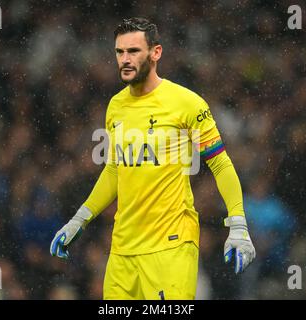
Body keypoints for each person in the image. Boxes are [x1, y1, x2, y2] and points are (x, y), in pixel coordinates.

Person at [50, 17, 255, 300]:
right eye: (119, 52)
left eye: (133, 51)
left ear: (155, 53)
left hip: (171, 246)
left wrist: (238, 224)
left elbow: (220, 163)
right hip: (123, 249)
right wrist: (79, 219)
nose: (125, 59)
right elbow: (114, 170)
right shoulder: (116, 106)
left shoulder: (186, 103)